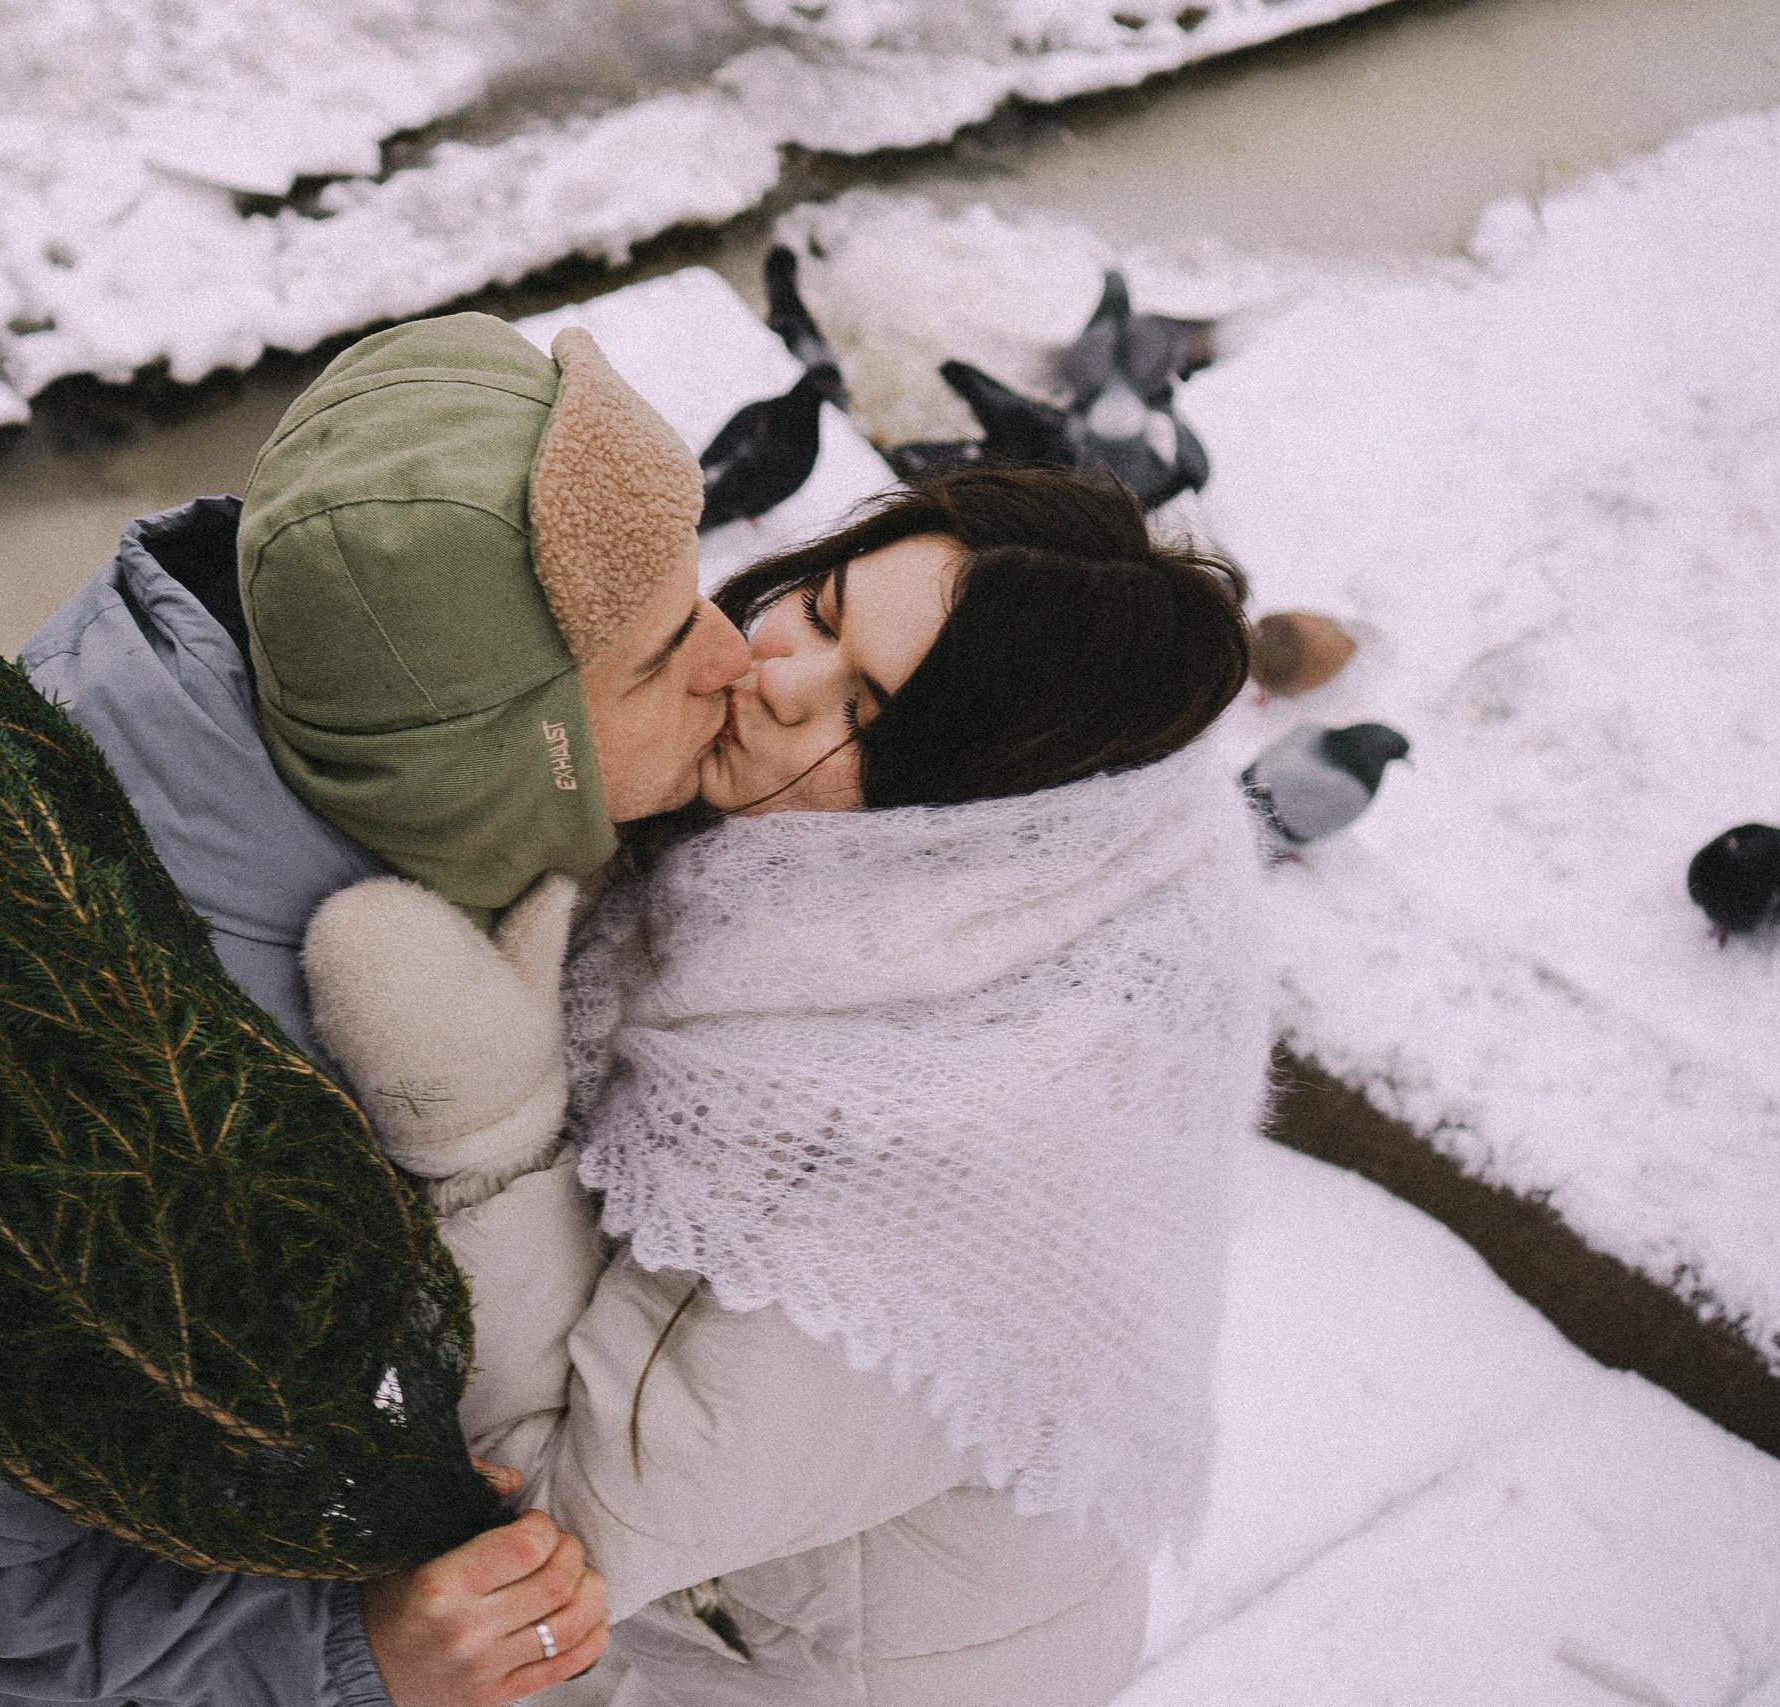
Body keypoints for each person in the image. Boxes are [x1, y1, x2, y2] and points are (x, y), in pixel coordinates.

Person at [0, 310, 748, 1707]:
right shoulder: (119, 1073)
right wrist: (344, 1654)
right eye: (660, 653)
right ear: (495, 761)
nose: (738, 658)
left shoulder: (266, 721)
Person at [301, 467, 1275, 1706]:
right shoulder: (1033, 858)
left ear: (971, 805)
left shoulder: (905, 1158)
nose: (775, 676)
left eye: (864, 711)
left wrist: (487, 1132)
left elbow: (556, 1533)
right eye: (815, 609)